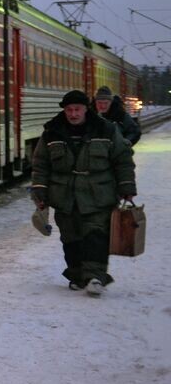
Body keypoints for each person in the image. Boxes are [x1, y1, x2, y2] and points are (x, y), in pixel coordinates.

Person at [31, 89, 136, 296]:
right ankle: (77, 275)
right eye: (69, 110)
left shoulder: (106, 130)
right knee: (71, 238)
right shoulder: (52, 132)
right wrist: (40, 191)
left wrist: (127, 187)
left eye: (77, 109)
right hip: (65, 196)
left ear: (86, 109)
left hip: (98, 194)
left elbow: (122, 159)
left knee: (95, 235)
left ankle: (95, 277)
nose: (73, 114)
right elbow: (41, 164)